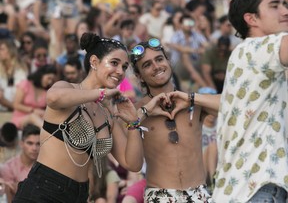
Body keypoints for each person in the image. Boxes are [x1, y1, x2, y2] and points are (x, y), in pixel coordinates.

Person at [12, 32, 143, 203]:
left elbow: (132, 163)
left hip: (80, 195)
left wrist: (133, 123)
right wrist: (101, 94)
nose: (120, 72)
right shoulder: (67, 88)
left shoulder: (107, 114)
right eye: (114, 63)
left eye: (125, 67)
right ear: (94, 62)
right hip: (43, 189)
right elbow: (52, 98)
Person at [212, 0, 288, 202]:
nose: (285, 10)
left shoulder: (246, 54)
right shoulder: (257, 47)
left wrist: (191, 97)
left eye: (284, 4)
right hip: (261, 187)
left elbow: (226, 103)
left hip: (238, 192)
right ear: (251, 19)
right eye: (275, 5)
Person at [129, 38, 220, 202]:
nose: (156, 66)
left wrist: (192, 98)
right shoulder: (137, 111)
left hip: (199, 193)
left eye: (159, 59)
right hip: (160, 195)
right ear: (139, 76)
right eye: (147, 65)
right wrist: (143, 112)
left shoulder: (193, 99)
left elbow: (233, 105)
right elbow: (132, 163)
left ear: (168, 61)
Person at [1, 124, 40, 202]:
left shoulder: (44, 168)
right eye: (30, 143)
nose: (34, 148)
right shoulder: (8, 167)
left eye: (38, 144)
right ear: (21, 143)